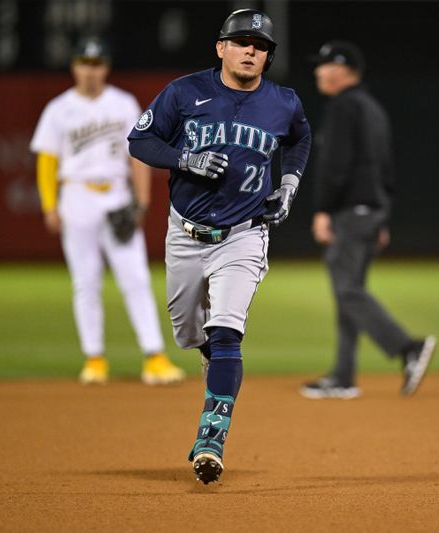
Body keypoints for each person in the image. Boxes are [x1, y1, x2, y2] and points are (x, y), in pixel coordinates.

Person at [127, 9, 311, 484]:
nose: (252, 50)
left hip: (245, 234)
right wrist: (183, 158)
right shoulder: (185, 91)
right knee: (190, 334)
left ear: (268, 56)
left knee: (227, 331)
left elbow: (300, 138)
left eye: (261, 45)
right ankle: (214, 360)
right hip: (185, 233)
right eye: (243, 41)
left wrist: (288, 183)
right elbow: (140, 140)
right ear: (221, 47)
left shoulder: (283, 101)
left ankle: (213, 432)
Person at [29, 36, 185, 386]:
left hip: (116, 196)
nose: (90, 71)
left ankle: (154, 356)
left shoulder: (123, 103)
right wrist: (50, 205)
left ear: (106, 68)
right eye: (85, 63)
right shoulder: (59, 109)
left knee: (136, 278)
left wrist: (141, 201)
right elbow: (47, 161)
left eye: (97, 64)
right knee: (86, 282)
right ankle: (95, 358)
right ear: (74, 67)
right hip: (77, 197)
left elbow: (138, 154)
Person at [300, 40, 436, 400]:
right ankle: (343, 376)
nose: (318, 71)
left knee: (346, 290)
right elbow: (386, 169)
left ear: (343, 70)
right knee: (350, 292)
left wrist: (323, 209)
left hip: (350, 210)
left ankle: (408, 348)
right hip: (370, 209)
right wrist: (382, 216)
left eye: (325, 65)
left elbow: (336, 166)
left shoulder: (344, 106)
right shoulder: (372, 108)